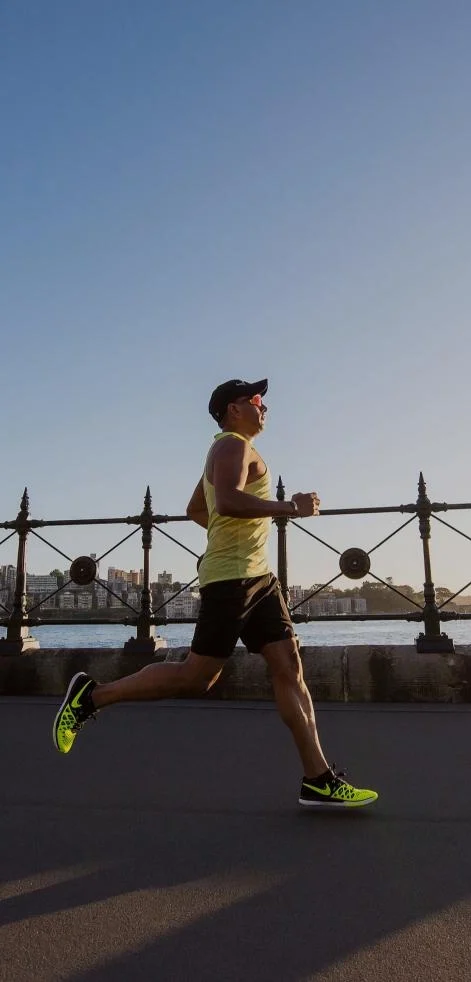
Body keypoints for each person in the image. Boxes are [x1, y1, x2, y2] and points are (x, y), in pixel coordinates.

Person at [53, 377, 378, 810]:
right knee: (197, 676)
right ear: (232, 408)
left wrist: (234, 539)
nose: (265, 407)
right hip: (232, 582)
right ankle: (90, 696)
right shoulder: (231, 446)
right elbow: (225, 501)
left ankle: (318, 778)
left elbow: (197, 509)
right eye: (256, 399)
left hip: (259, 579)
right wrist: (289, 508)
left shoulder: (233, 448)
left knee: (289, 667)